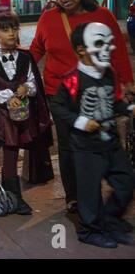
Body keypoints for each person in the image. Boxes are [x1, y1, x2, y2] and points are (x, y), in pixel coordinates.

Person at [30, 0, 134, 213]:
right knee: (67, 148)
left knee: (98, 145)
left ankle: (97, 194)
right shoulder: (49, 18)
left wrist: (127, 84)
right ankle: (74, 198)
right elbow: (36, 50)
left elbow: (117, 52)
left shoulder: (103, 16)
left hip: (96, 92)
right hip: (60, 93)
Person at [49, 22, 135, 248]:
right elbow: (57, 105)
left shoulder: (109, 73)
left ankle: (110, 219)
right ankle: (90, 231)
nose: (108, 48)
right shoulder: (72, 79)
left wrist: (127, 108)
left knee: (126, 180)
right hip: (86, 147)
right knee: (89, 193)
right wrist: (79, 120)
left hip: (111, 143)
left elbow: (114, 101)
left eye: (109, 43)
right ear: (81, 49)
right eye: (99, 43)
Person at [0, 12, 53, 215]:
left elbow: (33, 80)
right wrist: (6, 96)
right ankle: (14, 197)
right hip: (0, 115)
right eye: (6, 29)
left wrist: (26, 89)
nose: (12, 33)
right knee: (11, 150)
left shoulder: (26, 56)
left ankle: (8, 193)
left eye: (14, 29)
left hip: (22, 113)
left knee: (12, 152)